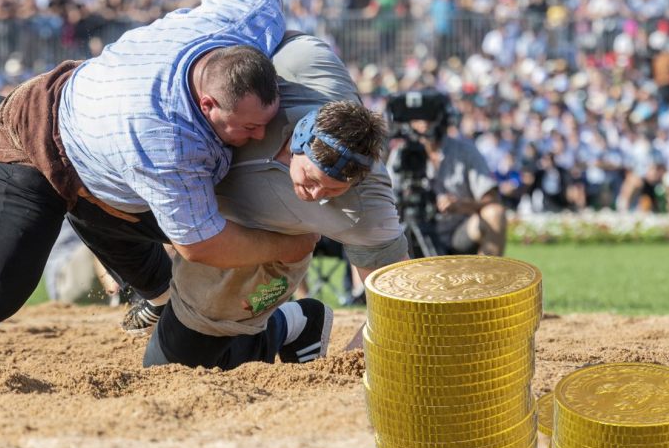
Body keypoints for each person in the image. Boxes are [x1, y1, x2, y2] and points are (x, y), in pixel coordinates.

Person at [0, 0, 320, 379]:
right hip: (38, 147)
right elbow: (200, 245)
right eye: (248, 128)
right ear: (207, 105)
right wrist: (286, 246)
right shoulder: (164, 140)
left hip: (97, 116)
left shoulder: (240, 26)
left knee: (149, 235)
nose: (260, 135)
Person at [137, 33, 409, 370]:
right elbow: (247, 35)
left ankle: (294, 323)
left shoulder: (367, 210)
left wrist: (342, 368)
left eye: (332, 190)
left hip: (264, 250)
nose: (314, 195)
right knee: (95, 208)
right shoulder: (305, 64)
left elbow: (396, 307)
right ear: (299, 139)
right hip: (185, 191)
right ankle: (151, 291)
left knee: (169, 370)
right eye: (310, 179)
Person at [404, 90, 507, 257]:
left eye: (429, 117)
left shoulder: (465, 151)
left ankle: (487, 280)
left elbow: (492, 198)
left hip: (457, 233)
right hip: (413, 234)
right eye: (418, 118)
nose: (423, 124)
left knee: (494, 213)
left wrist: (460, 205)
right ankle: (366, 282)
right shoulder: (402, 154)